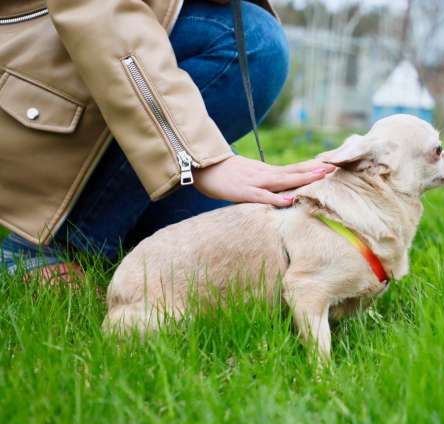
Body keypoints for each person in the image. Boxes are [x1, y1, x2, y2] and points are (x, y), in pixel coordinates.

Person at [0, 0, 333, 281]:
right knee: (252, 40)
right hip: (41, 58)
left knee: (242, 250)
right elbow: (100, 13)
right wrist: (193, 156)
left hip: (115, 68)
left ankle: (115, 223)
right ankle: (53, 243)